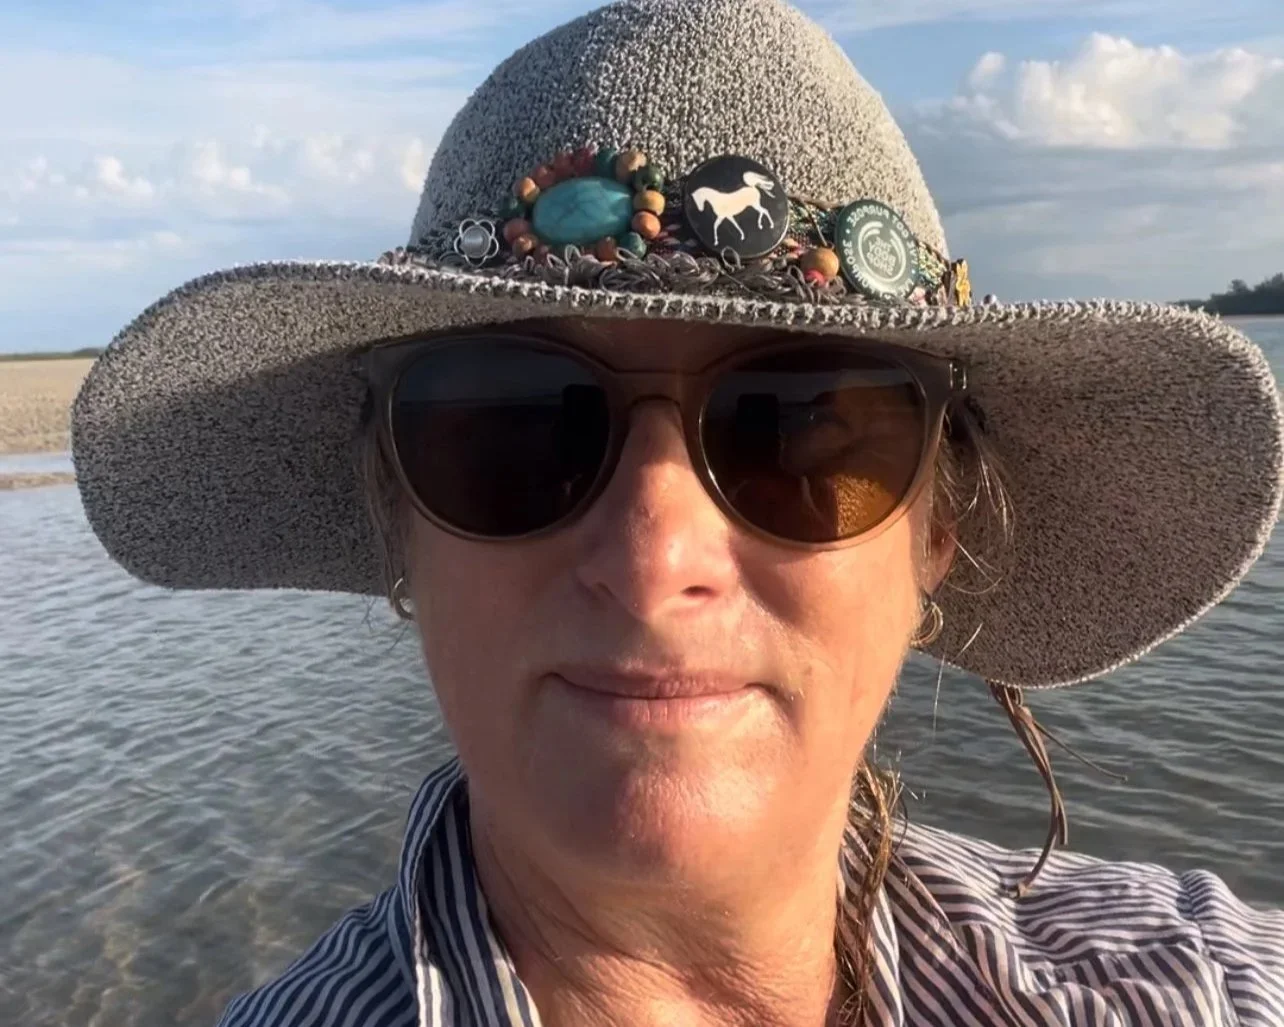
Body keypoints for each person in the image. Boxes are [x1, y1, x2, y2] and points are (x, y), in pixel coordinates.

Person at [71, 0, 1283, 1024]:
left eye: (801, 427)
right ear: (399, 522)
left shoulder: (1193, 979)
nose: (655, 559)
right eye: (514, 428)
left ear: (935, 534)